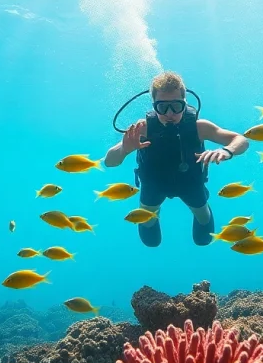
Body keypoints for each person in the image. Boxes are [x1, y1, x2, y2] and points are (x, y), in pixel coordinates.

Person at [104, 72, 249, 247]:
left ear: (185, 104)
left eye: (176, 106)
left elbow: (241, 140)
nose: (170, 113)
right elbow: (109, 161)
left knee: (203, 234)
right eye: (162, 107)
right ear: (153, 106)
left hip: (190, 182)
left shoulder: (199, 127)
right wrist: (125, 149)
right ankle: (155, 217)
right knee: (150, 240)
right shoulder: (143, 129)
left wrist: (227, 151)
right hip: (154, 183)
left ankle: (202, 213)